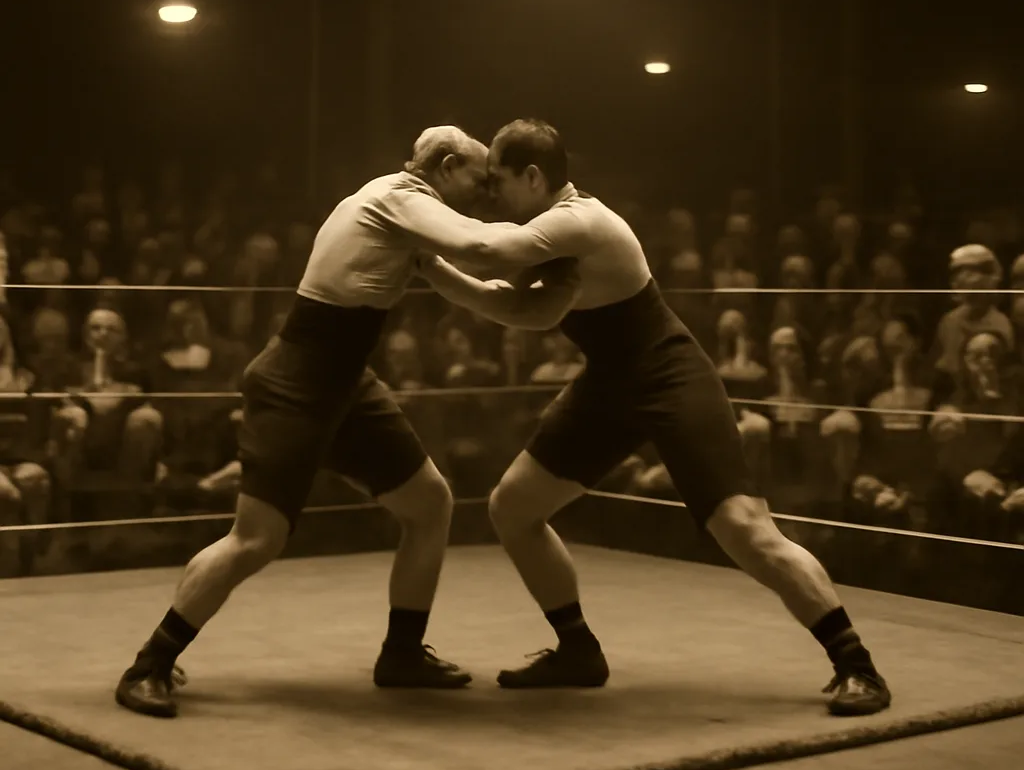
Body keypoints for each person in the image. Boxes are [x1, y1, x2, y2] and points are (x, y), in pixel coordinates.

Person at [417, 118, 892, 716]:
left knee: (743, 528)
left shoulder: (581, 221)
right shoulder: (545, 231)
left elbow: (486, 251)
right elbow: (515, 307)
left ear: (533, 177)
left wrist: (406, 212)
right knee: (513, 507)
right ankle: (578, 650)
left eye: (497, 180)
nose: (489, 193)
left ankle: (857, 665)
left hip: (669, 376)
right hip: (609, 384)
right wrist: (429, 268)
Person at [114, 125, 581, 718]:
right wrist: (569, 232)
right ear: (444, 167)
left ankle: (402, 653)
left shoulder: (409, 217)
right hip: (297, 382)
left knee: (429, 504)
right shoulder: (398, 198)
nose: (488, 190)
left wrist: (550, 286)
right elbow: (484, 248)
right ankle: (149, 664)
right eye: (479, 177)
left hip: (345, 384)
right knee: (257, 538)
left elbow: (481, 284)